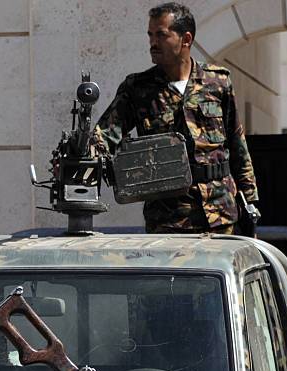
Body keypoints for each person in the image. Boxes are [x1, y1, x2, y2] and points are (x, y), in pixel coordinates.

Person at [94, 2, 259, 234]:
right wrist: (83, 153)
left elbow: (237, 143)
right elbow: (103, 136)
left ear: (186, 39)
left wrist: (249, 200)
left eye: (161, 35)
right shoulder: (137, 89)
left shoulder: (217, 82)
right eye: (150, 35)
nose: (153, 42)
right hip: (168, 219)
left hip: (221, 213)